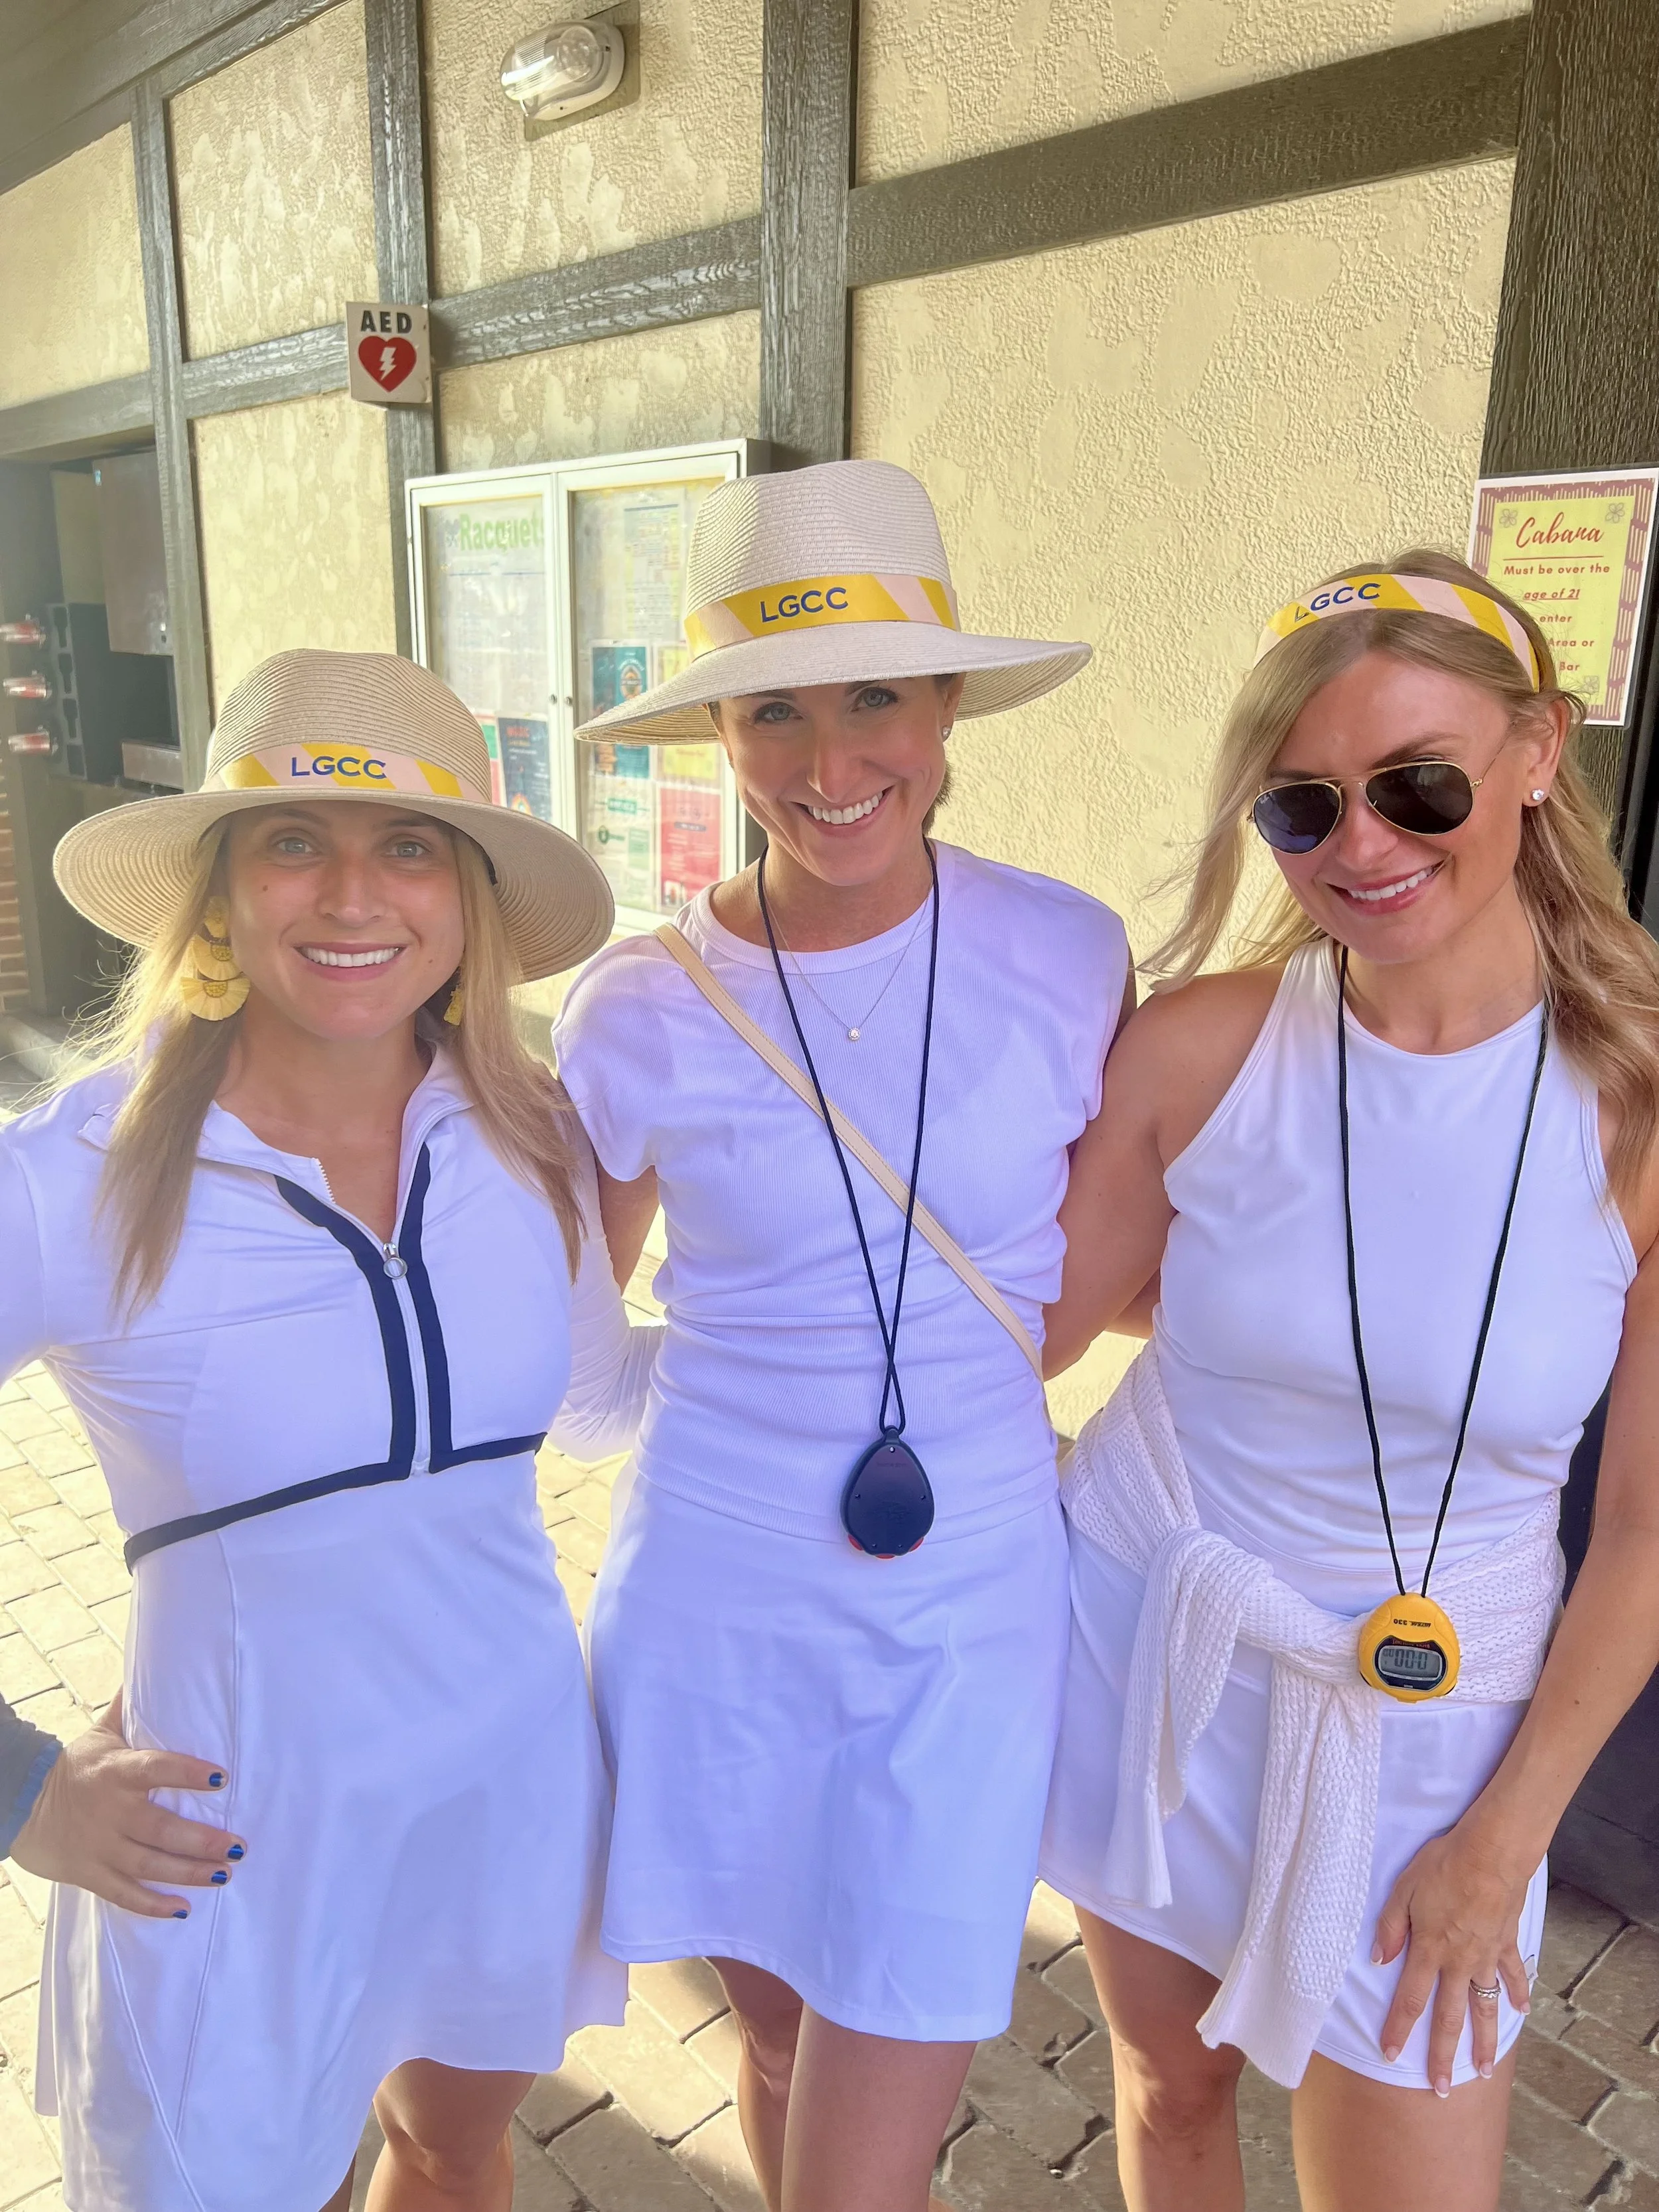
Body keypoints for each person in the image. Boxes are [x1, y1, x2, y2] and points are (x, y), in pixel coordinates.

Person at [1038, 554, 1659, 2212]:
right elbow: (1006, 1334)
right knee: (1168, 2092)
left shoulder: (1638, 1109)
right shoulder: (1198, 1050)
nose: (1361, 847)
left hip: (1439, 1736)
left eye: (1417, 784)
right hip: (1156, 1642)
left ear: (1537, 750)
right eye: (1299, 810)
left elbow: (1643, 1537)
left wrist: (1503, 1842)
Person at [0, 650, 658, 2212]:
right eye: (294, 839)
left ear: (467, 895)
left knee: (452, 2145)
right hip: (230, 1834)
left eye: (407, 844)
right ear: (220, 888)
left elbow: (599, 1403)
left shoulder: (528, 1130)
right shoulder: (81, 1169)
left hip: (504, 1779)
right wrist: (17, 1789)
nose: (351, 892)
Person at [551, 459, 1131, 2212]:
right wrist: (727, 1405)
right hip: (712, 1600)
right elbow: (577, 1359)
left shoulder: (1070, 954)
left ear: (947, 701)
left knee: (880, 2087)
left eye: (874, 693)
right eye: (771, 710)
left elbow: (1107, 1263)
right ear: (718, 732)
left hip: (960, 1609)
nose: (827, 760)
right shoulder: (638, 1005)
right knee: (786, 2040)